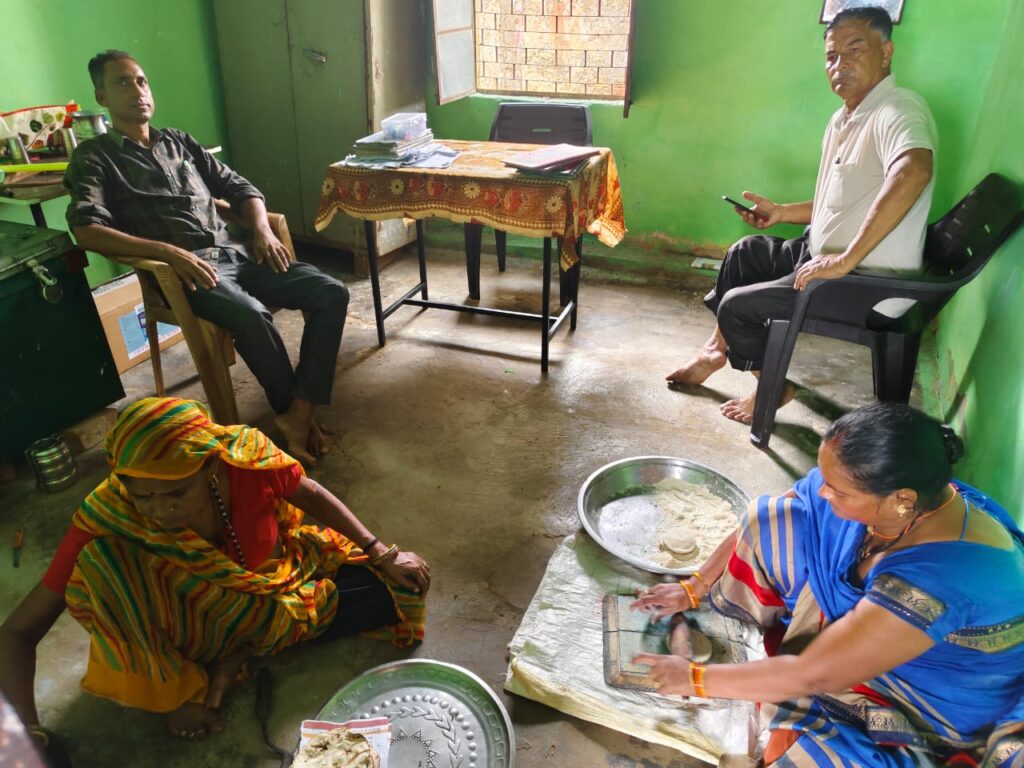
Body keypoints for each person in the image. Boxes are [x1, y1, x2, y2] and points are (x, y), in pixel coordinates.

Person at [0, 397, 430, 754]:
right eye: (142, 494)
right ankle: (177, 688)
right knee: (100, 565)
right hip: (189, 623)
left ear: (210, 467)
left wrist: (379, 551)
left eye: (176, 493)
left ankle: (238, 652)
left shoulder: (245, 459)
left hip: (271, 589)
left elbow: (311, 493)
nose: (160, 509)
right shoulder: (110, 510)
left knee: (395, 588)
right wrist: (28, 739)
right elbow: (16, 633)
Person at [632, 403, 1024, 768]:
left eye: (838, 491)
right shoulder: (900, 495)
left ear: (901, 500)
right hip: (880, 629)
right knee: (772, 519)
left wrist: (695, 679)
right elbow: (775, 509)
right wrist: (694, 587)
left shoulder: (942, 576)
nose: (823, 491)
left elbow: (816, 675)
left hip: (927, 694)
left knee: (808, 749)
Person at [65, 49, 348, 465]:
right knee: (252, 316)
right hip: (183, 271)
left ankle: (298, 413)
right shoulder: (95, 157)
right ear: (101, 97)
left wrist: (262, 230)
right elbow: (87, 229)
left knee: (331, 291)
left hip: (235, 252)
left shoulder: (178, 142)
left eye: (141, 81)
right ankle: (294, 414)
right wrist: (167, 252)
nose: (137, 90)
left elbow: (241, 189)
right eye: (123, 82)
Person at [666, 7, 937, 425]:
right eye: (831, 56)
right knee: (746, 252)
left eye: (854, 50)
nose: (839, 65)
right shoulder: (845, 118)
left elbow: (914, 170)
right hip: (825, 260)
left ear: (886, 52)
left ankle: (773, 386)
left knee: (739, 308)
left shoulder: (899, 110)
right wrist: (779, 214)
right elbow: (838, 202)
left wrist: (845, 259)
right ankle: (715, 351)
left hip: (866, 281)